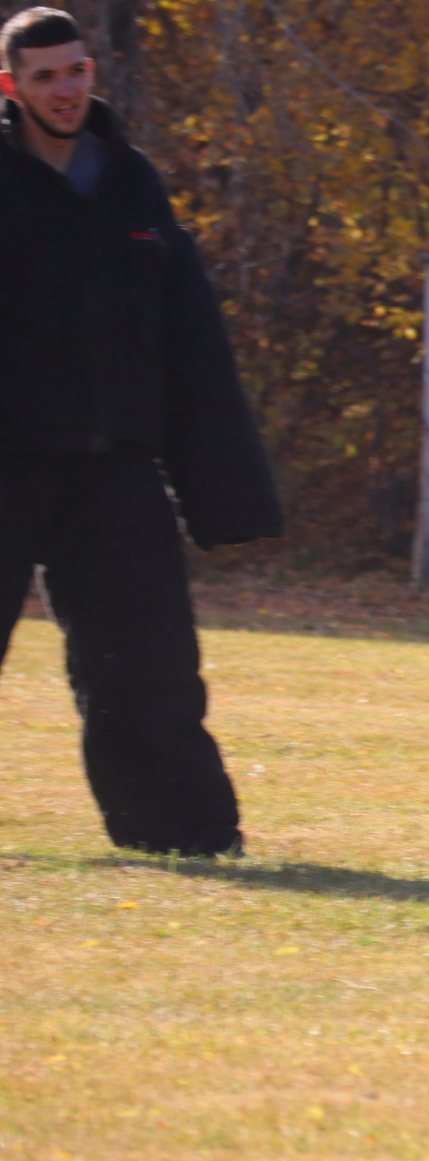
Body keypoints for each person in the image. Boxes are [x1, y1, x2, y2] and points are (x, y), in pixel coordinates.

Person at [0, 8, 280, 857]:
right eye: (45, 76)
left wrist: (229, 495)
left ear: (93, 72)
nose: (66, 89)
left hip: (113, 464)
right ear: (11, 87)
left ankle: (183, 832)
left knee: (149, 664)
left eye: (76, 70)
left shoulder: (131, 182)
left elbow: (190, 339)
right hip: (8, 458)